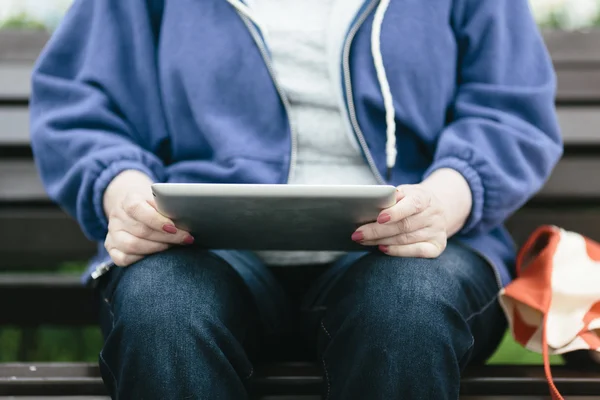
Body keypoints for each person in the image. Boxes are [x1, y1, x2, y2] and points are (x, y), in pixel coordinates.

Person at [30, 0, 563, 398]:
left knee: (405, 309)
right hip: (199, 247)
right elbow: (81, 107)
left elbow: (509, 112)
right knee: (164, 308)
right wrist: (122, 191)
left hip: (415, 248)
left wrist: (444, 199)